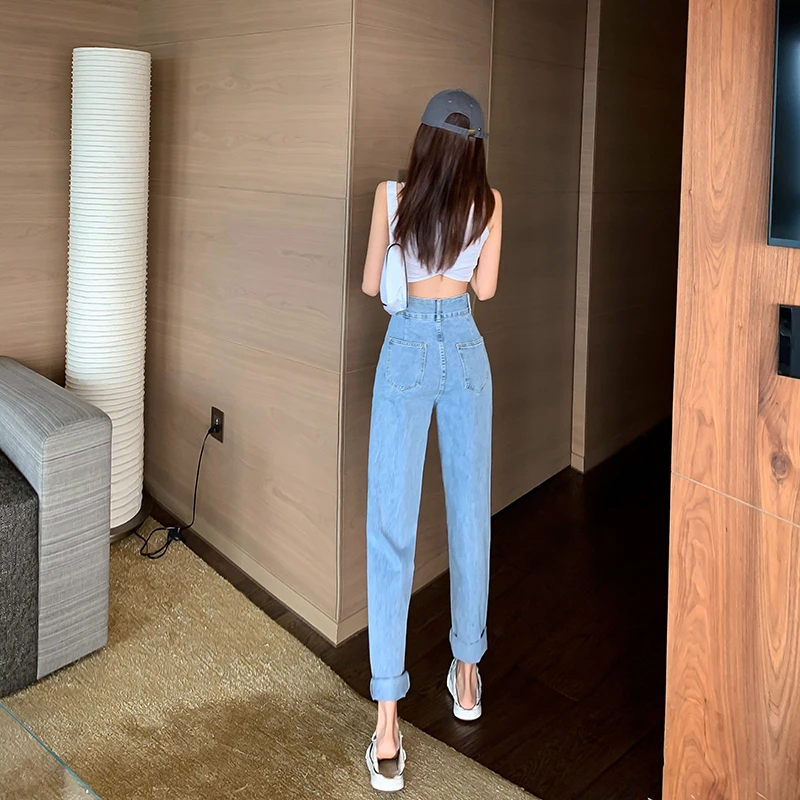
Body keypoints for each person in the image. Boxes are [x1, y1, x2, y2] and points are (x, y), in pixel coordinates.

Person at [360, 89, 503, 792]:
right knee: (470, 516)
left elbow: (371, 284)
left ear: (424, 140)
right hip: (466, 348)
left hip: (407, 348)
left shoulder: (392, 197)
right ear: (475, 148)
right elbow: (488, 288)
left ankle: (388, 726)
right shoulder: (491, 203)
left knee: (391, 525)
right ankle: (467, 676)